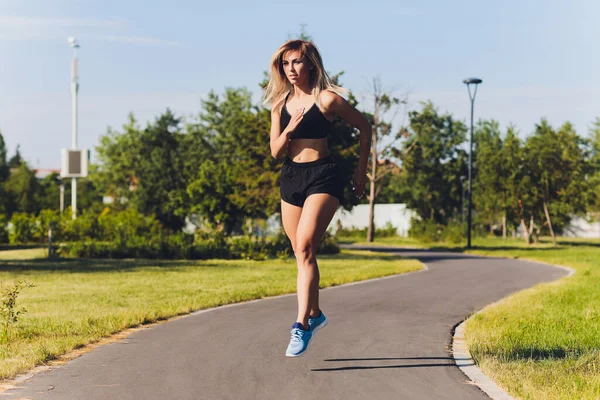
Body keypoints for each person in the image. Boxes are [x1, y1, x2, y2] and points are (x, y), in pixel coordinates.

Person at [263, 39, 371, 357]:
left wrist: (360, 171)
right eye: (285, 64)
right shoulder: (279, 104)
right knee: (302, 254)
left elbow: (365, 127)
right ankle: (315, 313)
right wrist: (289, 128)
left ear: (310, 64)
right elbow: (274, 150)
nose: (291, 69)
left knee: (306, 245)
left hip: (323, 175)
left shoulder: (327, 100)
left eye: (296, 62)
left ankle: (300, 325)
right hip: (292, 178)